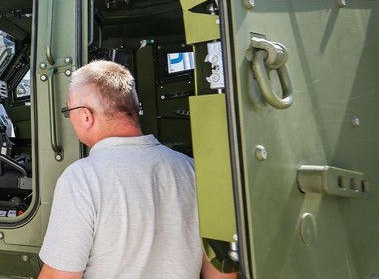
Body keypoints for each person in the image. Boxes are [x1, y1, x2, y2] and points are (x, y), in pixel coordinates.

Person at [38, 60, 235, 279]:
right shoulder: (193, 170)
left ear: (86, 116)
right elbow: (222, 272)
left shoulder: (81, 179)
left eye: (68, 111)